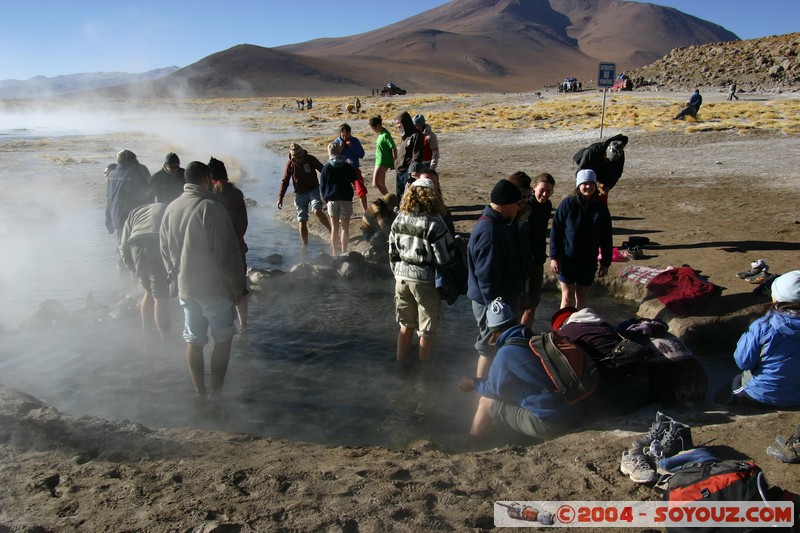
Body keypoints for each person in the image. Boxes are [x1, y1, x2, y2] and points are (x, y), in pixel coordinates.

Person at [160, 161, 245, 401]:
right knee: (223, 337)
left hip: (186, 287)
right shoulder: (211, 208)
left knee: (194, 339)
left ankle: (200, 393)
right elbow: (226, 253)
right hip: (213, 287)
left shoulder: (172, 207)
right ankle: (217, 393)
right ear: (207, 179)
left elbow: (164, 249)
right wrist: (237, 287)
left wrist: (175, 276)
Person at [458, 298, 580, 439]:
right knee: (508, 395)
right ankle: (497, 431)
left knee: (487, 401)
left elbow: (493, 389)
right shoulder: (534, 340)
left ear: (494, 333)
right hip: (571, 412)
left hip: (549, 423)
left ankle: (472, 440)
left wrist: (473, 383)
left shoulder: (506, 353)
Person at [388, 178, 455, 363]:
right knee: (426, 330)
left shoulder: (399, 218)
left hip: (401, 278)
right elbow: (445, 258)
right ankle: (424, 372)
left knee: (405, 324)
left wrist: (398, 272)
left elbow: (392, 252)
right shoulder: (434, 222)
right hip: (425, 280)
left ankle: (400, 363)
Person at [715, 270, 800, 408]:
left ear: (777, 299)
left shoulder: (764, 325)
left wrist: (748, 335)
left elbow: (743, 362)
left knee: (722, 394)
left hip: (763, 394)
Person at [467, 179, 524, 378]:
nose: (519, 208)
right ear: (507, 204)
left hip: (493, 302)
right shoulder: (490, 232)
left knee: (494, 346)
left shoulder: (496, 224)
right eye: (517, 204)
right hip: (490, 304)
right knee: (489, 346)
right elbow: (487, 278)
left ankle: (491, 389)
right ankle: (481, 390)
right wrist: (498, 314)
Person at [553, 307, 649, 415]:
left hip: (614, 400)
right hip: (640, 387)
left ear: (559, 327)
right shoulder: (601, 324)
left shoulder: (566, 334)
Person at [549, 169, 612, 310]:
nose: (588, 187)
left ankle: (579, 328)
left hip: (588, 260)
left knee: (582, 297)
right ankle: (562, 328)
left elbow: (606, 237)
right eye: (584, 183)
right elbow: (556, 232)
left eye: (591, 183)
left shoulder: (601, 208)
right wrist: (554, 257)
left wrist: (605, 263)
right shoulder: (568, 204)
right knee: (567, 297)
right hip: (567, 259)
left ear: (595, 186)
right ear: (578, 185)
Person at [118, 202, 170, 346]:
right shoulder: (169, 207)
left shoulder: (134, 212)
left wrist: (133, 268)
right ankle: (167, 343)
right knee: (160, 296)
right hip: (155, 240)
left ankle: (147, 336)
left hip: (135, 244)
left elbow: (122, 247)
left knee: (148, 292)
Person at [509, 172, 555, 328]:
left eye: (548, 191)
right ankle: (515, 337)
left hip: (538, 259)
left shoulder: (547, 206)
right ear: (534, 187)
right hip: (523, 262)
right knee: (520, 304)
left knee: (533, 303)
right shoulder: (525, 206)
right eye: (542, 190)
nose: (544, 194)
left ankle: (525, 335)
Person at [208, 157, 249, 333]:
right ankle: (244, 326)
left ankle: (221, 327)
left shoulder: (209, 196)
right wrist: (237, 237)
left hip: (214, 250)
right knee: (240, 288)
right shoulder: (236, 193)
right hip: (237, 247)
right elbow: (243, 223)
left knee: (216, 287)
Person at [105, 150, 152, 287]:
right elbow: (149, 192)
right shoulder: (134, 175)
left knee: (122, 254)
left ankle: (124, 287)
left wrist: (108, 220)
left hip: (117, 221)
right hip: (134, 221)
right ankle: (138, 287)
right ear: (132, 162)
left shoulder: (111, 175)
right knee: (136, 255)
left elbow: (109, 200)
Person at [278, 143, 332, 246]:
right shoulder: (290, 164)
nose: (299, 159)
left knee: (317, 210)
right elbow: (285, 181)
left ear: (303, 154)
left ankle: (332, 232)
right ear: (293, 157)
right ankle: (305, 247)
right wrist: (280, 198)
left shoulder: (310, 159)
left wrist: (330, 185)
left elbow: (323, 170)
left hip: (313, 189)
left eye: (301, 156)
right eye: (297, 157)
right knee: (302, 220)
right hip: (300, 193)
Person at [319, 142, 357, 256]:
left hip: (332, 200)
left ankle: (335, 253)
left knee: (334, 228)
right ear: (340, 151)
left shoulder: (326, 168)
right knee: (345, 228)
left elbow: (322, 186)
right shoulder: (347, 165)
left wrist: (326, 198)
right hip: (346, 198)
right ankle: (344, 253)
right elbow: (353, 178)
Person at [573, 134, 628, 203]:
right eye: (608, 159)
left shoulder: (619, 155)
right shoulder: (591, 151)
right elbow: (581, 172)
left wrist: (608, 186)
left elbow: (617, 173)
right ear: (606, 153)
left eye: (612, 161)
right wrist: (593, 183)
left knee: (602, 194)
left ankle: (601, 210)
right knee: (586, 192)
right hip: (589, 169)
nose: (609, 161)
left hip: (604, 172)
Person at [334, 123, 368, 215]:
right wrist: (340, 149)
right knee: (341, 192)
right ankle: (342, 212)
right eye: (344, 135)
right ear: (340, 133)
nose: (346, 137)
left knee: (361, 190)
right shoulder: (336, 143)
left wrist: (351, 146)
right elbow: (333, 159)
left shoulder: (354, 141)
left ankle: (365, 212)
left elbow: (361, 154)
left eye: (348, 135)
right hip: (341, 171)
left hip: (354, 169)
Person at [393, 111, 423, 198]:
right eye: (396, 124)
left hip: (408, 172)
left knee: (409, 197)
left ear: (405, 122)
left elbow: (416, 156)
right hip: (399, 171)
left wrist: (412, 173)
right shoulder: (405, 135)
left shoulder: (416, 135)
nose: (398, 125)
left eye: (399, 123)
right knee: (399, 196)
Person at [368, 115, 397, 195]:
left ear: (378, 126)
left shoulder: (385, 135)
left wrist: (394, 160)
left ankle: (389, 200)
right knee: (380, 183)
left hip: (383, 161)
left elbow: (393, 147)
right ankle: (388, 200)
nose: (373, 130)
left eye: (373, 128)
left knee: (376, 183)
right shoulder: (381, 134)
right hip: (378, 161)